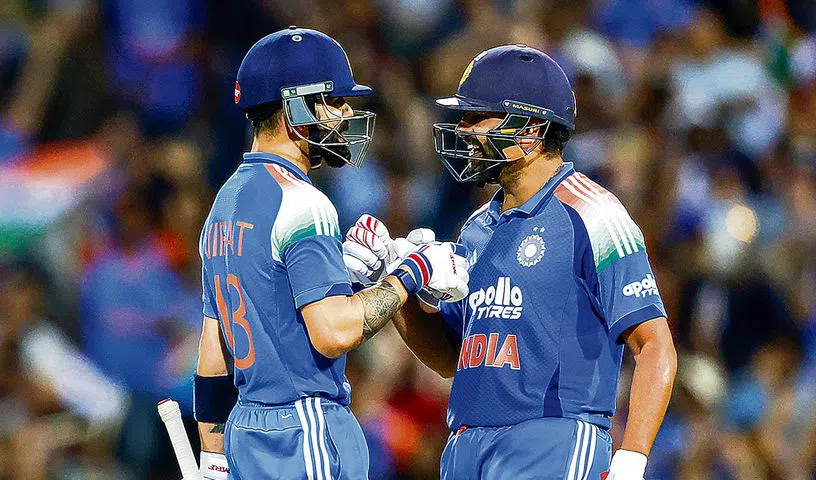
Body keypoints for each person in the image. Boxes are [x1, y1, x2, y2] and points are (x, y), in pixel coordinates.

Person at [344, 45, 677, 480]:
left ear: (530, 128)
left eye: (476, 117)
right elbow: (450, 358)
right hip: (466, 444)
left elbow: (654, 345)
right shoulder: (476, 227)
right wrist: (395, 288)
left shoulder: (594, 213)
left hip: (552, 440)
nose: (462, 130)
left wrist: (632, 458)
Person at [194, 27, 470, 480]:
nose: (346, 115)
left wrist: (213, 457)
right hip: (305, 431)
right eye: (336, 101)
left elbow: (213, 351)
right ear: (295, 108)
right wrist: (412, 271)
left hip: (247, 432)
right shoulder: (303, 201)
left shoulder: (222, 205)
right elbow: (334, 331)